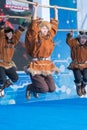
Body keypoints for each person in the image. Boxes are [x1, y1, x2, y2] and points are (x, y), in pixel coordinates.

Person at [25, 3, 59, 100]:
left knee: (52, 89)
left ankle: (36, 88)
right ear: (40, 29)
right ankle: (30, 88)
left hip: (46, 64)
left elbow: (54, 25)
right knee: (44, 89)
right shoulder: (36, 36)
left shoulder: (49, 36)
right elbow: (33, 26)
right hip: (36, 64)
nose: (45, 30)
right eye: (43, 28)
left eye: (46, 28)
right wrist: (35, 9)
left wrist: (55, 11)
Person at [0, 15, 25, 97]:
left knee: (15, 78)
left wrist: (24, 22)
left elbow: (19, 33)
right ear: (5, 34)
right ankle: (1, 88)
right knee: (2, 80)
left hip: (8, 65)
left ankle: (3, 86)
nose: (10, 35)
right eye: (8, 33)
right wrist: (4, 21)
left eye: (11, 33)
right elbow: (1, 30)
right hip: (0, 64)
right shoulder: (2, 40)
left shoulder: (13, 41)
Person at [66, 30, 87, 96]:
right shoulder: (74, 43)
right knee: (78, 79)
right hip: (76, 65)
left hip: (85, 65)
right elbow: (68, 41)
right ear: (79, 38)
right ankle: (78, 87)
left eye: (85, 38)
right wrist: (70, 35)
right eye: (82, 38)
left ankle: (83, 87)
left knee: (86, 78)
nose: (83, 40)